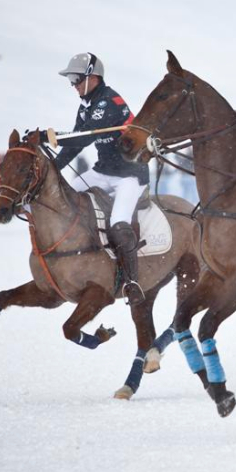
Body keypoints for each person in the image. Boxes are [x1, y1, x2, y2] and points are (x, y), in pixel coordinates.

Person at [46, 53, 149, 304]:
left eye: (77, 79)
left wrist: (53, 137)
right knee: (63, 198)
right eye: (71, 80)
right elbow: (74, 147)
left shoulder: (108, 101)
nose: (74, 85)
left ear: (93, 76)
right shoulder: (86, 106)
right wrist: (52, 172)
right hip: (103, 171)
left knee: (118, 223)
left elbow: (84, 138)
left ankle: (131, 282)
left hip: (129, 176)